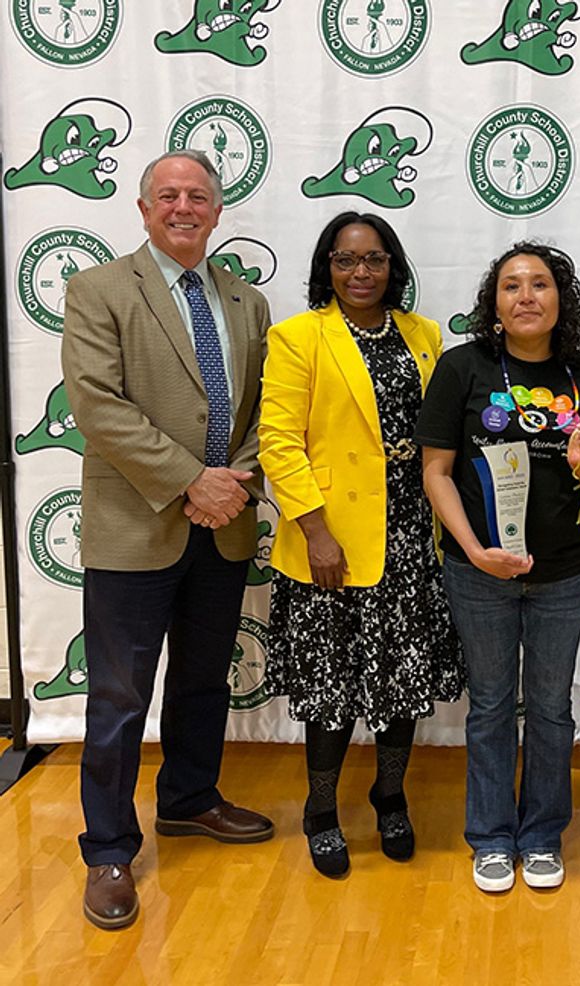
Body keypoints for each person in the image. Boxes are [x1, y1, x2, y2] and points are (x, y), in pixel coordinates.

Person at [61, 150, 274, 931]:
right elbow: (97, 406)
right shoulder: (98, 290)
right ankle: (109, 849)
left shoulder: (248, 303)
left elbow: (262, 413)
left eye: (198, 197)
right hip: (135, 527)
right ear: (144, 209)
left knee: (201, 682)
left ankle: (188, 801)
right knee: (119, 698)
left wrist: (234, 481)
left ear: (218, 213)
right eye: (168, 196)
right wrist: (193, 478)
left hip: (221, 527)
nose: (183, 207)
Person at [258, 212, 463, 878]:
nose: (361, 273)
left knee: (401, 684)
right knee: (332, 687)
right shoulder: (297, 338)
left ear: (393, 266)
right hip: (333, 546)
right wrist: (315, 532)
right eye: (346, 261)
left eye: (374, 259)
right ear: (327, 268)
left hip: (409, 539)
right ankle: (321, 810)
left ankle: (390, 795)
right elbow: (280, 444)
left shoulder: (424, 335)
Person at [416, 243, 580, 893]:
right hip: (478, 571)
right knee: (493, 706)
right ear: (494, 303)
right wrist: (474, 550)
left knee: (552, 709)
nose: (526, 295)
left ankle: (542, 833)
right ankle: (492, 836)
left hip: (563, 572)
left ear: (563, 300)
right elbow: (435, 472)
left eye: (540, 284)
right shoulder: (461, 368)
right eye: (511, 286)